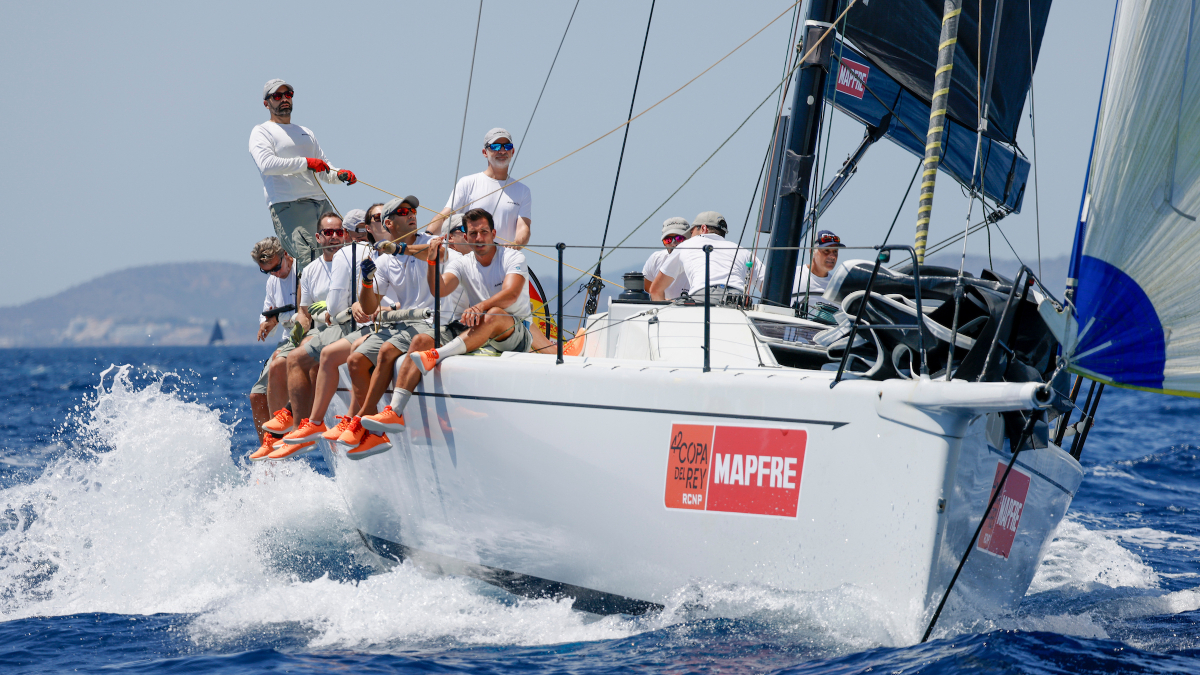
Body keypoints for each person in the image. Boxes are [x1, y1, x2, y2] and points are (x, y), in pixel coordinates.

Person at [273, 201, 401, 456]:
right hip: (365, 323)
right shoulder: (369, 254)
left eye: (340, 232)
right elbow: (310, 310)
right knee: (310, 357)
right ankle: (308, 424)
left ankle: (346, 423)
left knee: (326, 357)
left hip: (386, 325)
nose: (337, 237)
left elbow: (335, 305)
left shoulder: (356, 254)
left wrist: (358, 307)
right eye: (373, 218)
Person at [408, 208, 535, 375]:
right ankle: (396, 401)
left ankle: (438, 355)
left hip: (515, 333)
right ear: (466, 238)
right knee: (420, 340)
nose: (479, 238)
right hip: (479, 326)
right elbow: (439, 290)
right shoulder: (462, 263)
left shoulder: (513, 257)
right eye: (473, 233)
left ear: (493, 234)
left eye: (484, 232)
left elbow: (511, 294)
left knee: (494, 313)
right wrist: (432, 262)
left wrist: (480, 307)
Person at [249, 79, 356, 273]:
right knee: (309, 260)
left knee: (341, 251)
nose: (284, 99)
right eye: (277, 96)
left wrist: (339, 175)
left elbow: (324, 168)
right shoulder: (261, 131)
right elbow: (267, 165)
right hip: (290, 203)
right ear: (266, 103)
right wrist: (306, 163)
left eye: (288, 95)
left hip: (320, 202)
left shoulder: (305, 132)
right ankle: (312, 303)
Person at [427, 128, 532, 247]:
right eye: (496, 147)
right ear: (484, 152)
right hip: (470, 260)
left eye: (507, 146)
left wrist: (514, 245)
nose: (502, 151)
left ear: (512, 151)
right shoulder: (467, 182)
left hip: (504, 260)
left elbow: (523, 227)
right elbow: (446, 215)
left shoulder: (523, 191)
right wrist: (427, 236)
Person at [246, 237, 297, 461]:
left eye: (276, 267)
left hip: (305, 337)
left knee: (278, 363)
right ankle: (269, 447)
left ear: (286, 255)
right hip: (286, 341)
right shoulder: (273, 281)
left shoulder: (304, 272)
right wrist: (264, 323)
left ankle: (284, 437)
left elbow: (306, 312)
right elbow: (268, 310)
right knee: (256, 396)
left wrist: (277, 318)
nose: (275, 274)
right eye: (266, 271)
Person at [649, 211, 762, 304]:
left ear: (703, 228)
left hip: (704, 297)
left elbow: (655, 290)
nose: (690, 237)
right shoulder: (743, 251)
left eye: (692, 232)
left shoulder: (687, 245)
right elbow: (769, 286)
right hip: (738, 300)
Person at [642, 217, 691, 299]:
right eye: (668, 240)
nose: (673, 244)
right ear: (664, 243)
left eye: (679, 238)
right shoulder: (655, 259)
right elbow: (647, 290)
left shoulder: (701, 260)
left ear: (689, 239)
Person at [792, 229, 844, 299]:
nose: (832, 256)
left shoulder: (838, 287)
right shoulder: (792, 275)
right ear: (812, 251)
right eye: (826, 250)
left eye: (835, 251)